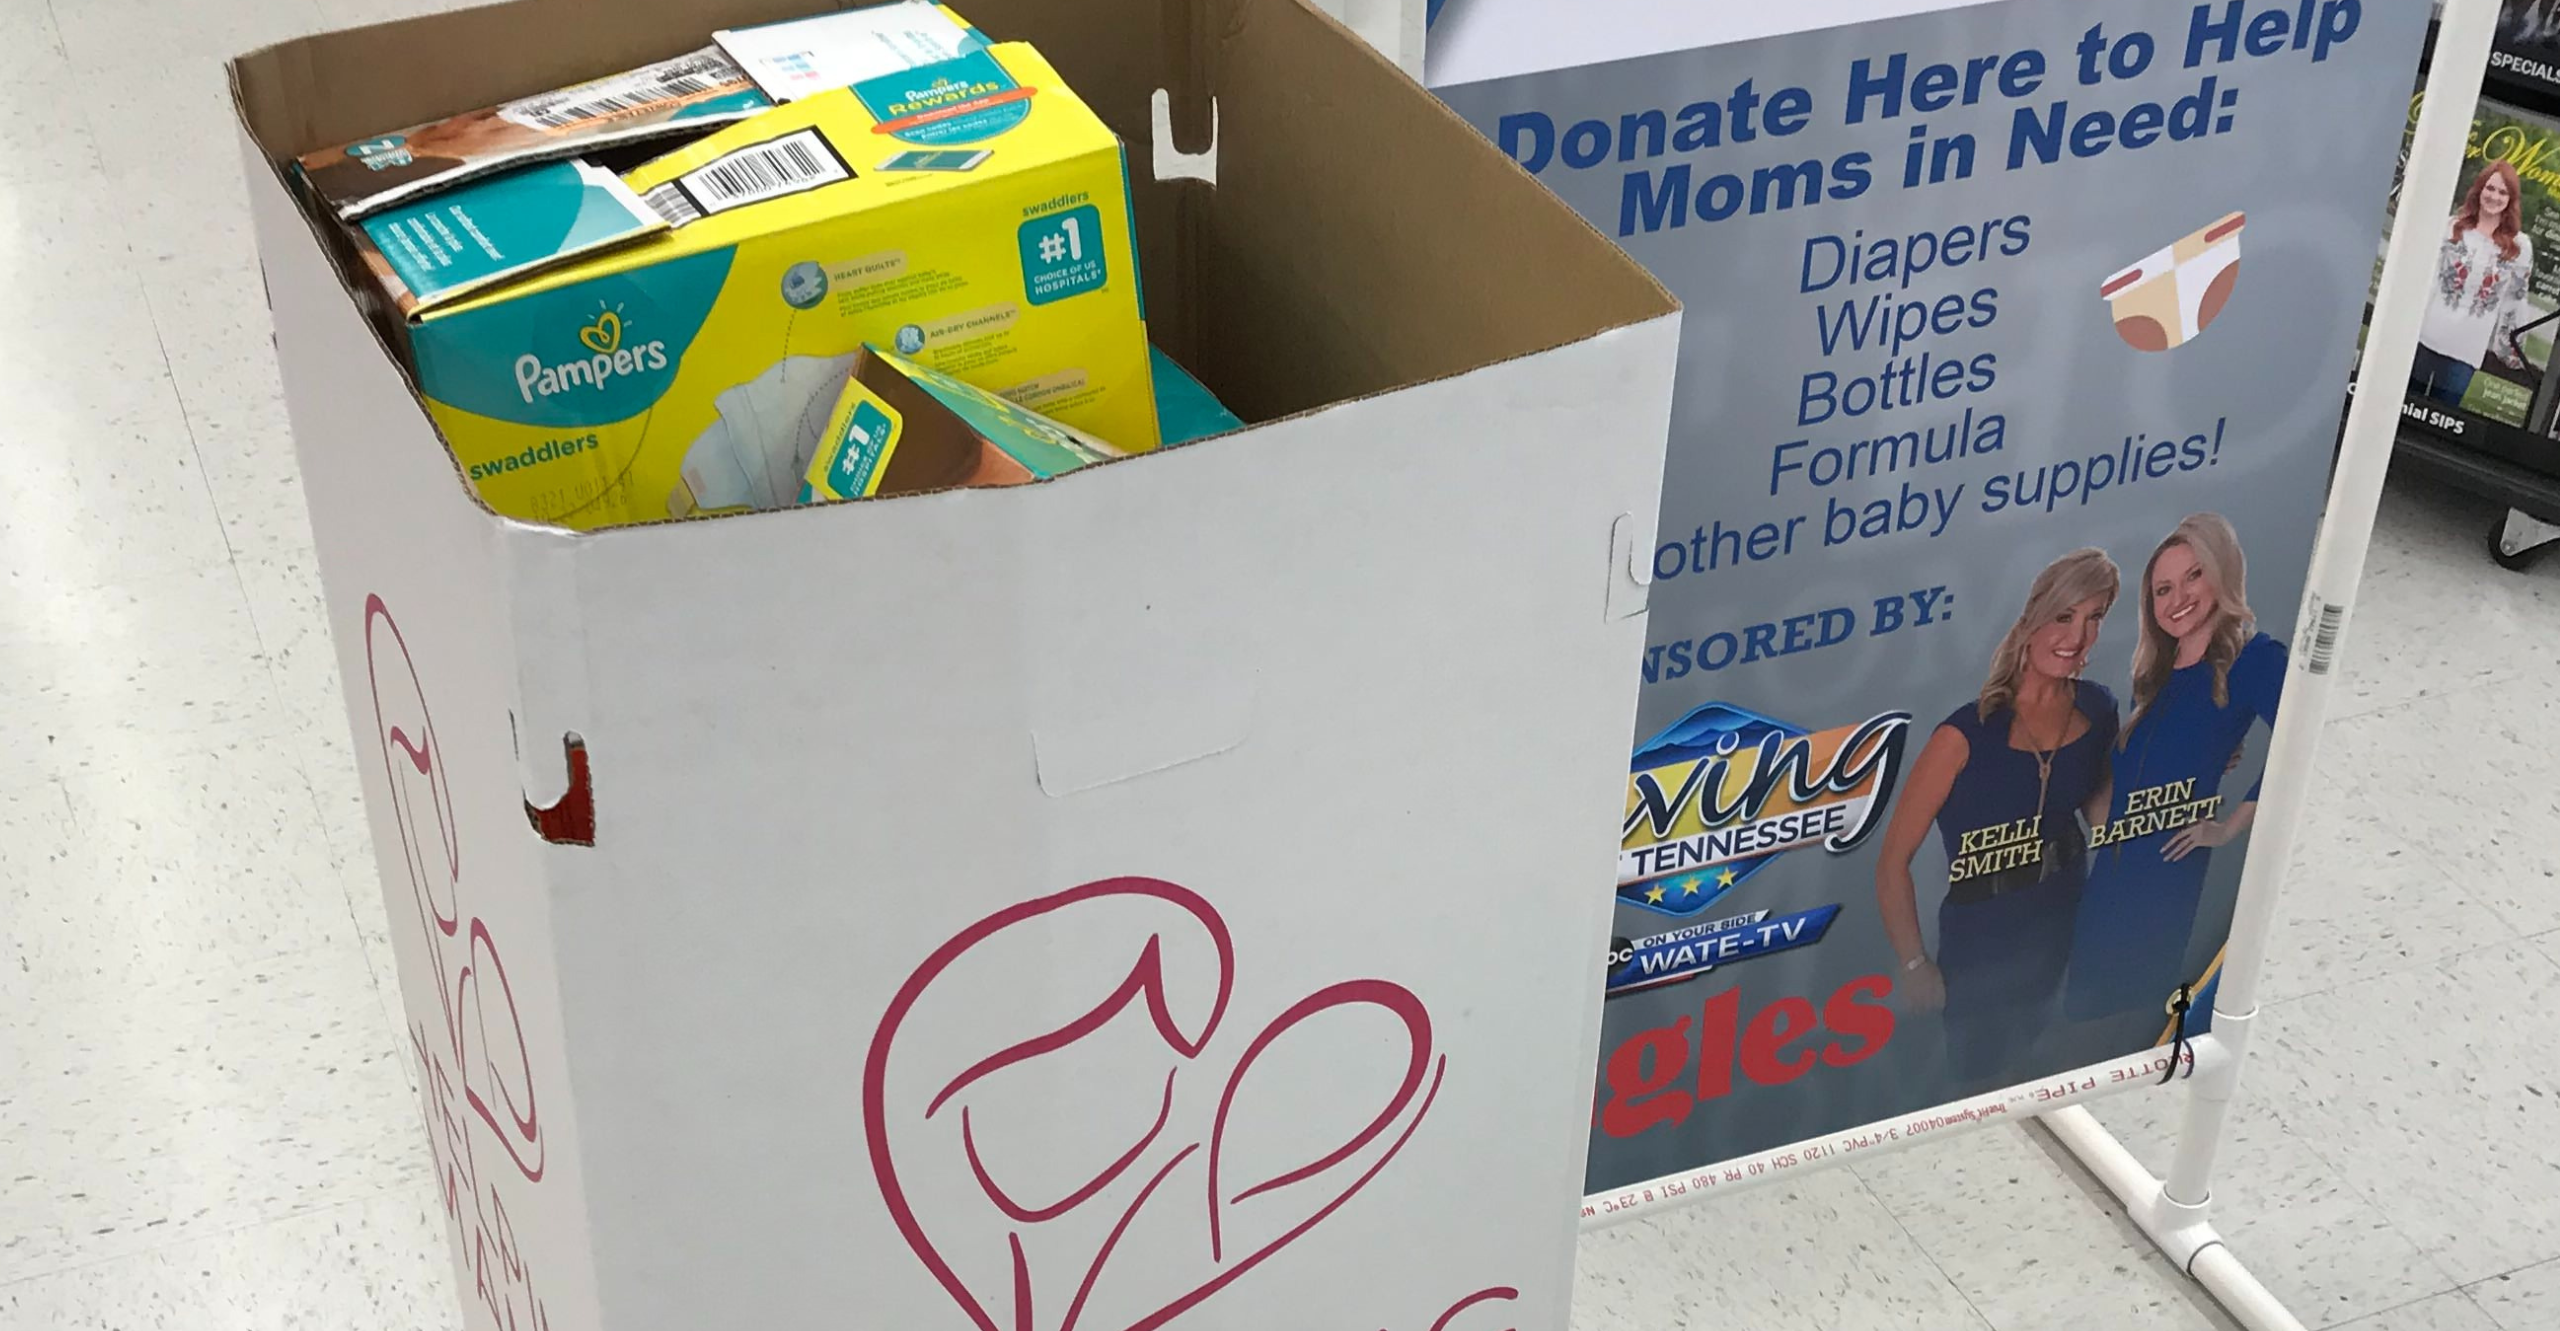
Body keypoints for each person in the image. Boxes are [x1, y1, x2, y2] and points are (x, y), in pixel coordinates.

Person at [1876, 549, 2120, 1092]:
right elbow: (1893, 861)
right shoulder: (1961, 737)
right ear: (2033, 618)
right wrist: (1914, 963)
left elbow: (2102, 816)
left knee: (2044, 1058)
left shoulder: (2099, 709)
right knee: (1981, 1075)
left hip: (2066, 917)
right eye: (2064, 616)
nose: (2077, 636)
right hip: (1983, 938)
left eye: (2094, 617)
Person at [2067, 514, 2285, 1027]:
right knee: (2079, 1032)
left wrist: (2229, 826)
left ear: (2221, 572)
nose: (2178, 597)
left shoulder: (2254, 657)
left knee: (2126, 1025)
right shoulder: (2158, 676)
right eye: (2163, 588)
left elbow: (2298, 745)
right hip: (2106, 886)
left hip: (2162, 885)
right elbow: (2122, 788)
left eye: (2194, 575)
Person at [2411, 160, 2534, 410]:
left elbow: (2515, 299)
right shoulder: (2451, 227)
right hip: (2423, 339)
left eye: (2502, 192)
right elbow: (2425, 280)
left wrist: (2509, 348)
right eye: (2490, 188)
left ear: (2511, 199)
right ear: (2480, 189)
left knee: (2441, 420)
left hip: (2465, 352)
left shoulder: (2519, 247)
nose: (2494, 196)